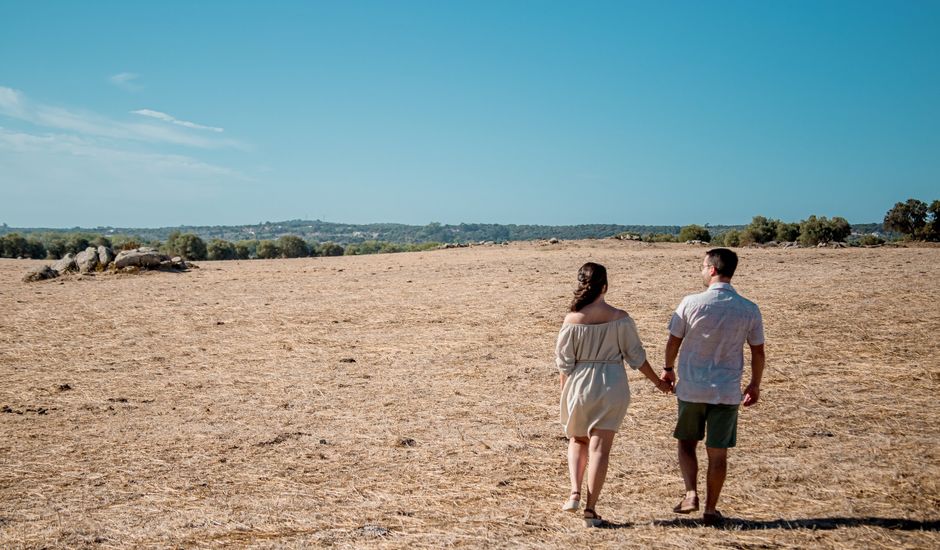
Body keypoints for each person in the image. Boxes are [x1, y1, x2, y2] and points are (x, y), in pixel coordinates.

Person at [555, 262, 673, 528]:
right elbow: (636, 357)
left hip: (579, 384)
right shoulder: (620, 317)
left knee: (577, 440)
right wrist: (658, 383)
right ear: (605, 286)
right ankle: (590, 508)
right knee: (600, 449)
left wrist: (565, 393)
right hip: (612, 384)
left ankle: (574, 491)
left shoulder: (571, 319)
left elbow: (564, 364)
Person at [661, 248, 765, 526]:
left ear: (712, 270)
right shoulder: (748, 308)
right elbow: (758, 352)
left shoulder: (690, 303)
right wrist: (754, 384)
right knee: (718, 453)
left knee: (686, 443)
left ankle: (690, 492)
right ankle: (710, 508)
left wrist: (668, 368)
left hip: (692, 387)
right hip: (727, 389)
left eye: (702, 265)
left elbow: (674, 341)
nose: (701, 270)